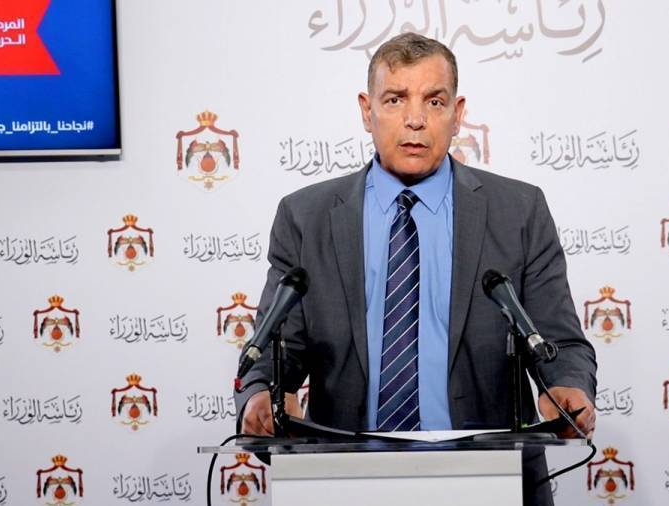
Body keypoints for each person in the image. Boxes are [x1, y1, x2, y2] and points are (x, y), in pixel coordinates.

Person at [236, 32, 596, 505]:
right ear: (366, 111)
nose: (415, 119)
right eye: (395, 99)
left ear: (457, 113)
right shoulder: (306, 217)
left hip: (490, 479)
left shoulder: (519, 211)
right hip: (345, 481)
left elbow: (559, 341)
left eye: (434, 101)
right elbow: (273, 348)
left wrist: (566, 387)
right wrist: (262, 394)